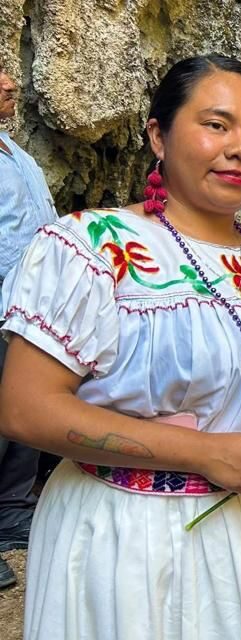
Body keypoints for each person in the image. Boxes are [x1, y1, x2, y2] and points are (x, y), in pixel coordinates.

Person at [0, 54, 241, 639]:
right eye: (216, 125)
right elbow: (25, 408)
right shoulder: (93, 248)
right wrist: (202, 453)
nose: (240, 147)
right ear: (158, 135)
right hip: (130, 535)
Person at [0, 68, 58, 591]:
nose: (8, 82)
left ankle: (10, 516)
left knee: (17, 421)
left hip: (24, 306)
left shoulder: (14, 153)